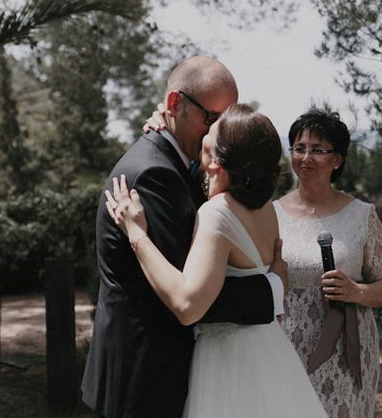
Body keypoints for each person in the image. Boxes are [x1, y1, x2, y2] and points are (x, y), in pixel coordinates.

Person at [81, 57, 286, 418]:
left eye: (226, 122)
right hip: (146, 380)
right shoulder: (153, 174)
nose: (217, 133)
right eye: (212, 119)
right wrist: (273, 288)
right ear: (175, 104)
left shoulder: (186, 167)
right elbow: (194, 294)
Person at [106, 104, 327, 418]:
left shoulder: (216, 213)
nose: (202, 159)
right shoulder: (267, 209)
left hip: (227, 362)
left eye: (207, 143)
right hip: (270, 351)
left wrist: (136, 234)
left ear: (220, 164)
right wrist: (166, 124)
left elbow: (187, 305)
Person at [275, 108, 382, 418]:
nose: (306, 158)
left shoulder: (361, 215)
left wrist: (356, 291)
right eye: (299, 148)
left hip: (347, 351)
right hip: (285, 346)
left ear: (337, 160)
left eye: (318, 150)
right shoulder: (271, 214)